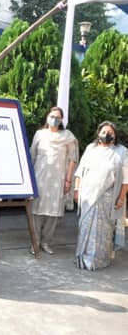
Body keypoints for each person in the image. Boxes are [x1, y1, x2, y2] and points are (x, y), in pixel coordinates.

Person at [74, 121, 128, 270]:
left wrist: (121, 198)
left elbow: (126, 179)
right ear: (98, 134)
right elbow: (80, 171)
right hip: (87, 196)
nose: (107, 135)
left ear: (115, 136)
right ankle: (82, 256)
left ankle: (99, 260)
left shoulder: (121, 151)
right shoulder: (91, 149)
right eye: (104, 132)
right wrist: (76, 190)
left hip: (108, 198)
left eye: (110, 132)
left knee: (103, 231)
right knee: (85, 227)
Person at [29, 107, 78, 254]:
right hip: (40, 178)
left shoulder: (67, 136)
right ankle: (35, 242)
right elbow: (32, 156)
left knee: (53, 213)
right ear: (47, 117)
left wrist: (68, 180)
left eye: (58, 117)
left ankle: (45, 242)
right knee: (36, 211)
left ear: (62, 120)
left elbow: (72, 159)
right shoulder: (39, 134)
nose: (54, 119)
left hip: (58, 180)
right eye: (52, 116)